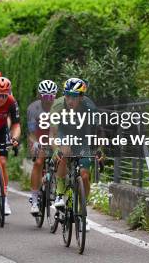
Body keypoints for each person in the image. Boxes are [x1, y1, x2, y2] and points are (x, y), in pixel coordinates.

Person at [49, 78, 99, 223]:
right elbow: (53, 133)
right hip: (63, 133)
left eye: (75, 97)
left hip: (82, 136)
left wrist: (97, 150)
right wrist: (56, 149)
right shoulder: (58, 105)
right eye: (67, 96)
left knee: (84, 175)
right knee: (65, 151)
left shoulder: (90, 107)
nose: (70, 100)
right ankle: (59, 193)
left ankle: (82, 212)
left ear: (82, 97)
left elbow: (96, 133)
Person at [0, 76, 21, 215]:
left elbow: (16, 124)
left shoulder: (12, 102)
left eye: (4, 95)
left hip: (1, 130)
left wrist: (14, 138)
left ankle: (4, 197)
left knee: (2, 161)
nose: (1, 99)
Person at [26, 80, 58, 215]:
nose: (48, 100)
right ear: (40, 96)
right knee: (39, 161)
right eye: (45, 97)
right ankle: (34, 199)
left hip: (53, 137)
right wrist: (36, 143)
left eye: (51, 97)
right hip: (37, 137)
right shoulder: (33, 109)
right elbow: (31, 132)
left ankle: (57, 191)